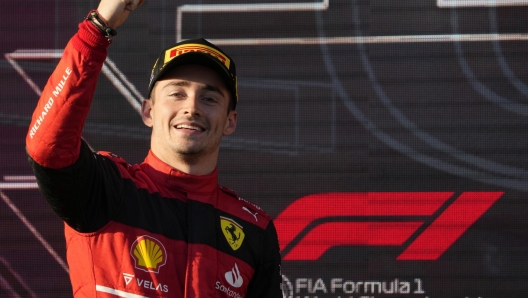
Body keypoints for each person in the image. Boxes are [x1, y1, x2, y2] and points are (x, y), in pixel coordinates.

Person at [25, 0, 282, 297]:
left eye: (209, 99)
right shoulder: (109, 189)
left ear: (230, 121)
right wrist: (96, 30)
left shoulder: (253, 229)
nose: (192, 108)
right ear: (148, 111)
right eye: (177, 93)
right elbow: (48, 147)